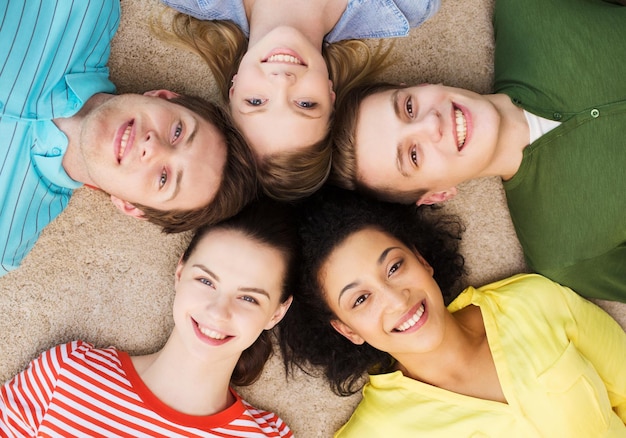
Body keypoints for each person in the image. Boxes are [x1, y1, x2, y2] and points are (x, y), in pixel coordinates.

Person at [328, 0, 626, 301]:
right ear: (436, 194)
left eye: (409, 107)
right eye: (413, 155)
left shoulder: (529, 8)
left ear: (420, 85)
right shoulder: (564, 253)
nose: (431, 123)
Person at [280, 187, 626, 437]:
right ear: (348, 330)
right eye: (361, 299)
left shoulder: (535, 301)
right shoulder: (376, 432)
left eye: (395, 267)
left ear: (422, 259)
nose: (397, 300)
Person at [0, 0, 258, 277]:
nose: (152, 147)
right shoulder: (85, 7)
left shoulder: (6, 239)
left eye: (164, 178)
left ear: (130, 207)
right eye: (178, 132)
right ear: (163, 97)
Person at [0, 199, 298, 437]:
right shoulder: (67, 371)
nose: (218, 312)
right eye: (206, 281)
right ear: (180, 273)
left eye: (248, 298)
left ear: (277, 312)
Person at [158, 0, 440, 200]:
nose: (282, 80)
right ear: (330, 96)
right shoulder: (405, 7)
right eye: (305, 105)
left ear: (234, 88)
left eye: (256, 101)